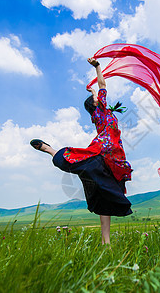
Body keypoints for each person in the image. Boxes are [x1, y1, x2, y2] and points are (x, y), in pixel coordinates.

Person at [30, 58, 133, 245]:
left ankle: (106, 243)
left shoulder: (101, 112)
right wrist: (97, 67)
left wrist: (92, 92)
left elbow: (97, 92)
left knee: (106, 195)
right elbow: (103, 83)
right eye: (98, 98)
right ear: (97, 103)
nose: (101, 98)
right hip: (103, 149)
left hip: (115, 156)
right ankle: (50, 150)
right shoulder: (100, 110)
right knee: (79, 160)